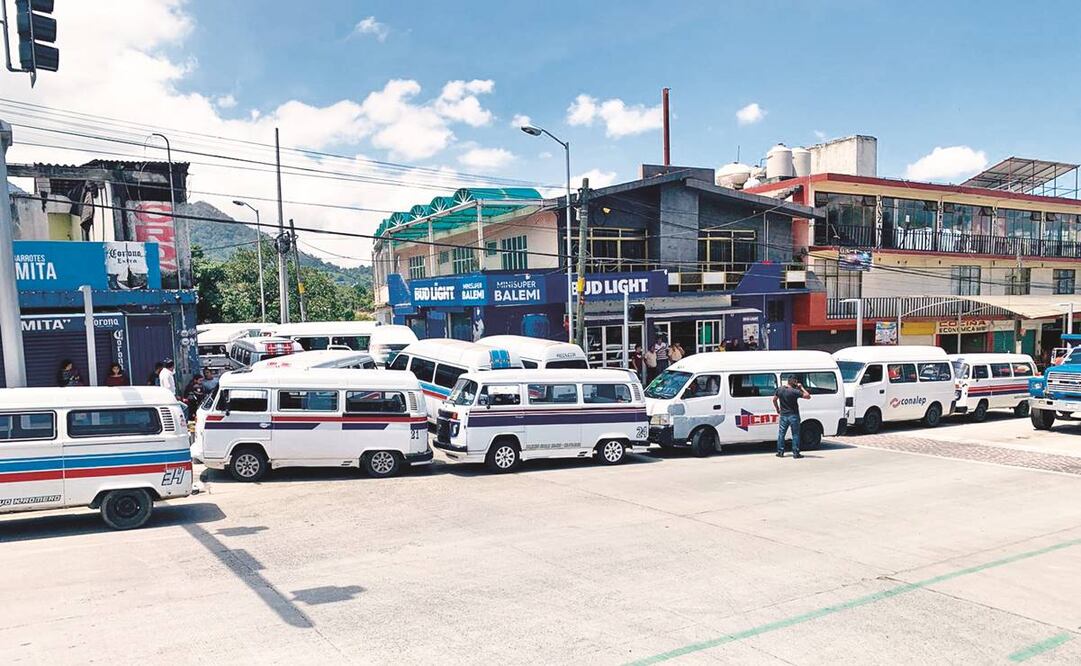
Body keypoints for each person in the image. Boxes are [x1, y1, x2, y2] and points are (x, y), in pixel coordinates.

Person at [773, 376, 811, 459]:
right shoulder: (795, 391)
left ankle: (780, 452)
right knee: (795, 434)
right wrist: (801, 387)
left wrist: (777, 409)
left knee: (781, 434)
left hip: (783, 415)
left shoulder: (780, 389)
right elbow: (808, 396)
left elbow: (774, 400)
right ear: (793, 381)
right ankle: (796, 453)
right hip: (793, 415)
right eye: (796, 381)